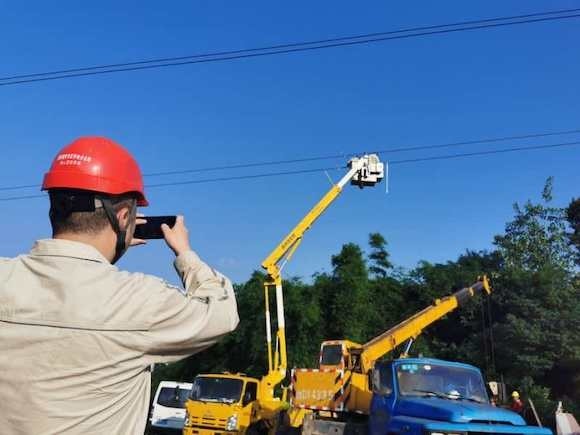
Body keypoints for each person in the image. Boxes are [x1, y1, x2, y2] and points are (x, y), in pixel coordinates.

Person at [0, 137, 239, 434]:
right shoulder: (140, 301)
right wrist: (185, 254)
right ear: (124, 216)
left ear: (53, 207)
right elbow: (221, 312)